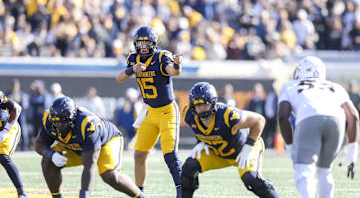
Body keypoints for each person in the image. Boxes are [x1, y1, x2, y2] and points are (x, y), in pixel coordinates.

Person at [277, 56, 359, 198]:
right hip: (337, 121)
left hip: (309, 117)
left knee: (303, 169)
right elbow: (353, 116)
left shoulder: (289, 85)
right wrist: (352, 150)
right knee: (324, 170)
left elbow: (283, 116)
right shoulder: (336, 87)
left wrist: (290, 146)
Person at [116, 26, 183, 196]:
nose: (144, 45)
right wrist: (133, 70)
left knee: (170, 155)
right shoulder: (133, 58)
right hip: (150, 112)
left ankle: (183, 191)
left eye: (147, 42)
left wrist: (176, 64)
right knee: (139, 154)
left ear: (154, 43)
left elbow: (173, 72)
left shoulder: (162, 56)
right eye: (141, 42)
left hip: (167, 111)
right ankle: (140, 192)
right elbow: (119, 79)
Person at [181, 82, 279, 198]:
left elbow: (259, 120)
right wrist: (200, 142)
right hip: (219, 153)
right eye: (198, 105)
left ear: (213, 103)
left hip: (243, 150)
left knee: (251, 179)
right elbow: (199, 129)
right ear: (192, 106)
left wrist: (249, 146)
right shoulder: (189, 115)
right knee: (188, 168)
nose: (201, 108)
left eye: (205, 104)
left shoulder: (227, 114)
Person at [34, 96, 146, 198]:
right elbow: (39, 144)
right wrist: (52, 155)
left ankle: (140, 196)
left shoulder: (87, 125)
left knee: (109, 175)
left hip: (105, 143)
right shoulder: (49, 120)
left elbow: (89, 166)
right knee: (47, 161)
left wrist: (84, 194)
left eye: (63, 122)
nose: (59, 125)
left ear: (72, 117)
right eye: (56, 122)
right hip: (76, 147)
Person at [0, 92, 28, 198]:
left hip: (9, 127)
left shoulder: (2, 99)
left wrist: (5, 131)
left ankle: (22, 192)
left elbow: (17, 109)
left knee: (3, 157)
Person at [6, 79, 30, 151]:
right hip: (11, 115)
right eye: (13, 86)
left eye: (16, 86)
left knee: (23, 130)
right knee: (9, 130)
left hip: (20, 115)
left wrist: (20, 101)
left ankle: (25, 147)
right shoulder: (8, 94)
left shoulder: (22, 94)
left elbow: (25, 106)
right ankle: (10, 146)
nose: (15, 87)